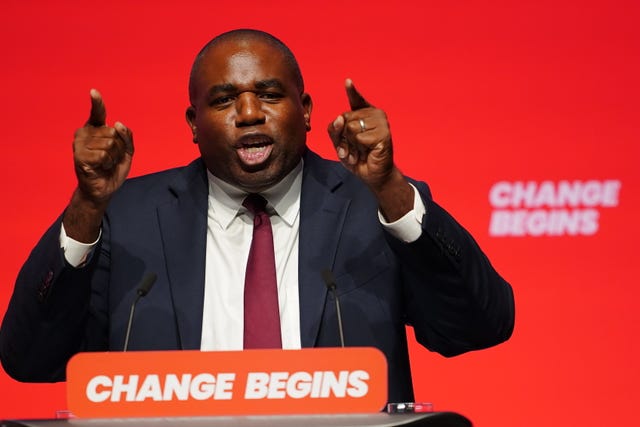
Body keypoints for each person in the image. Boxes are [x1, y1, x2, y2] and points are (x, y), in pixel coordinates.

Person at [0, 29, 514, 404]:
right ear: (193, 124)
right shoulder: (125, 217)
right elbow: (29, 359)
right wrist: (88, 206)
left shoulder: (373, 205)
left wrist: (392, 190)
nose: (249, 113)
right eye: (224, 100)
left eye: (269, 94)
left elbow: (479, 326)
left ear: (307, 110)